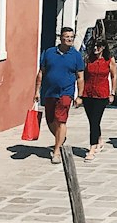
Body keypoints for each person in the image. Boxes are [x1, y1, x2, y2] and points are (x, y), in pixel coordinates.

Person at [33, 27, 85, 164]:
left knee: (61, 120)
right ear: (60, 38)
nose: (69, 39)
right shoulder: (49, 53)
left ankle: (56, 152)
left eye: (71, 37)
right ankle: (60, 138)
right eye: (67, 37)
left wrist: (79, 95)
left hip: (66, 92)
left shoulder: (76, 55)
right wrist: (37, 91)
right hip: (49, 92)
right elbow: (41, 73)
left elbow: (80, 77)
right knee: (50, 120)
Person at [81, 39, 116, 161]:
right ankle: (99, 139)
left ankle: (92, 148)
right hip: (88, 93)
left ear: (103, 48)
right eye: (94, 46)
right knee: (92, 120)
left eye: (99, 46)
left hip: (101, 94)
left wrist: (113, 92)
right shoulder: (88, 59)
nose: (96, 48)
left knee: (95, 121)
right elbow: (83, 76)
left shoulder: (109, 60)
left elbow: (113, 76)